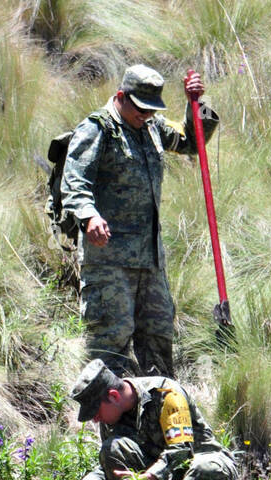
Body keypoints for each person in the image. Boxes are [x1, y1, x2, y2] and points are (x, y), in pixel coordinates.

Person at [60, 64, 218, 378]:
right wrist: (89, 215)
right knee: (110, 340)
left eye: (151, 110)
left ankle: (158, 417)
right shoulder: (98, 128)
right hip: (109, 260)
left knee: (158, 336)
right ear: (121, 96)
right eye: (141, 109)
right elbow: (75, 181)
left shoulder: (153, 127)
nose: (146, 115)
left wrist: (195, 103)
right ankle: (107, 420)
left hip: (150, 260)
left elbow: (189, 141)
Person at [61, 358, 237, 480]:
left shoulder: (167, 393)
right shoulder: (111, 417)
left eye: (96, 411)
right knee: (112, 449)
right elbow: (111, 465)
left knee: (206, 469)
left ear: (113, 396)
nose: (95, 419)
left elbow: (181, 452)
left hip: (195, 468)